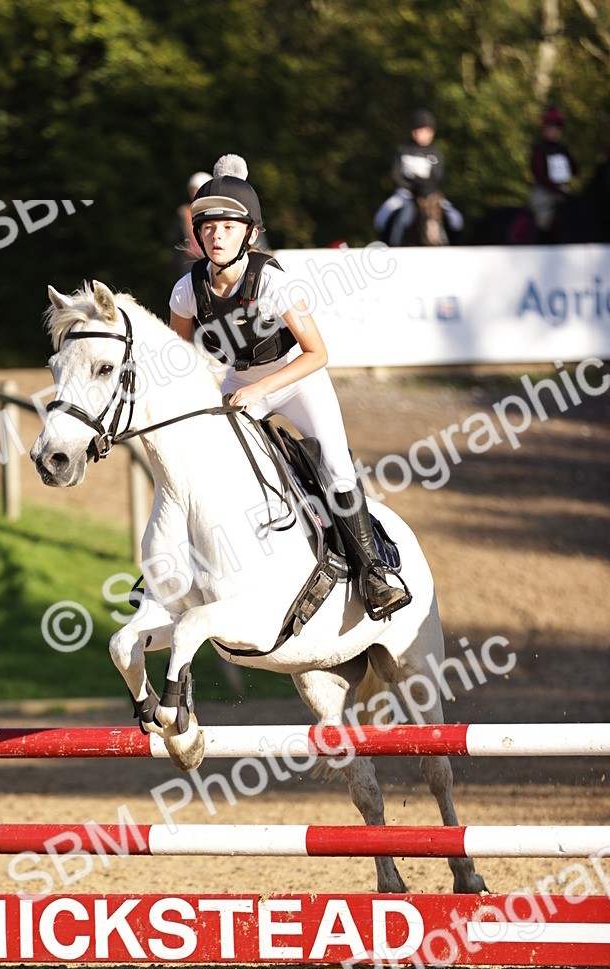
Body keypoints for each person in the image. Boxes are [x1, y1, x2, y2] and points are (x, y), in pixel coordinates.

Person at [169, 153, 409, 620]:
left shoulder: (273, 282)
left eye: (228, 228)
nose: (217, 237)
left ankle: (375, 573)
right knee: (199, 463)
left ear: (250, 234)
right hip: (237, 381)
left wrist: (260, 391)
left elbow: (317, 354)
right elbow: (180, 361)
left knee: (338, 468)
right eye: (209, 228)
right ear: (197, 234)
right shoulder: (185, 290)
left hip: (296, 379)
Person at [374, 108, 463, 246]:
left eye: (425, 130)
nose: (421, 134)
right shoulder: (404, 150)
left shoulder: (435, 154)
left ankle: (450, 245)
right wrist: (410, 187)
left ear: (432, 132)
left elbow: (438, 176)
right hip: (406, 194)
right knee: (382, 217)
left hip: (431, 196)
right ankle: (390, 244)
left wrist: (426, 190)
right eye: (418, 130)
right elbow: (396, 174)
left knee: (455, 218)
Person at [529, 106, 578, 238]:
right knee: (544, 220)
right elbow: (539, 175)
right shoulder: (539, 149)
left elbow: (574, 170)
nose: (555, 131)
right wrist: (556, 189)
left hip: (564, 191)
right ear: (544, 129)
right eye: (551, 127)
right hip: (545, 194)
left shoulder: (563, 149)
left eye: (558, 127)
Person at [171, 171, 213, 279]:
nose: (194, 194)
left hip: (212, 260)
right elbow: (175, 240)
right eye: (192, 190)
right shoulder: (183, 213)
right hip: (189, 263)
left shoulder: (216, 212)